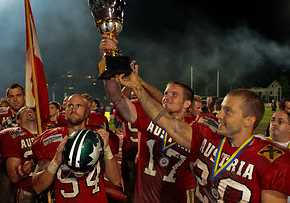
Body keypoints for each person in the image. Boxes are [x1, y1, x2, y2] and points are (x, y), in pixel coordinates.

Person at [119, 77, 290, 202]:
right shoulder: (207, 132)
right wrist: (137, 87)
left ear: (249, 120)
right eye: (221, 109)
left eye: (228, 111)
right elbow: (166, 120)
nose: (219, 115)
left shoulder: (272, 160)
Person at [100, 34, 195, 203]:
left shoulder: (194, 130)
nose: (167, 97)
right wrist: (108, 58)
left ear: (187, 103)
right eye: (166, 93)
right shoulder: (148, 115)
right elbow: (116, 97)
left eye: (174, 94)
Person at [31, 94, 121, 202]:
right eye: (70, 106)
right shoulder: (49, 139)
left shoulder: (98, 138)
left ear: (87, 112)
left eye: (78, 106)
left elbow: (115, 179)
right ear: (64, 111)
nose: (73, 109)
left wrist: (106, 149)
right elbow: (37, 187)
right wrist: (55, 162)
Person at [0, 106, 37, 202]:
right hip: (26, 191)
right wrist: (34, 161)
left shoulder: (47, 132)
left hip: (48, 188)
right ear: (18, 120)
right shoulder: (12, 135)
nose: (28, 110)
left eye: (30, 109)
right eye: (24, 110)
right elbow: (14, 176)